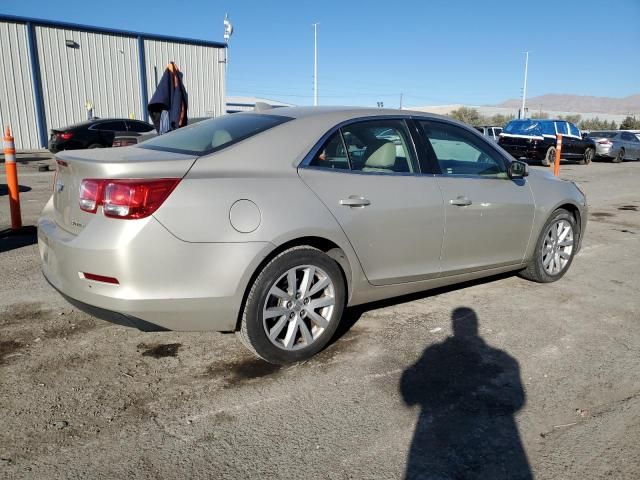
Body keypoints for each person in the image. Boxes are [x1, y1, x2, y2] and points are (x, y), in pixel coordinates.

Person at [400, 307, 532, 480]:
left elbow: (409, 392)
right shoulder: (502, 359)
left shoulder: (436, 353)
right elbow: (517, 401)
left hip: (443, 444)